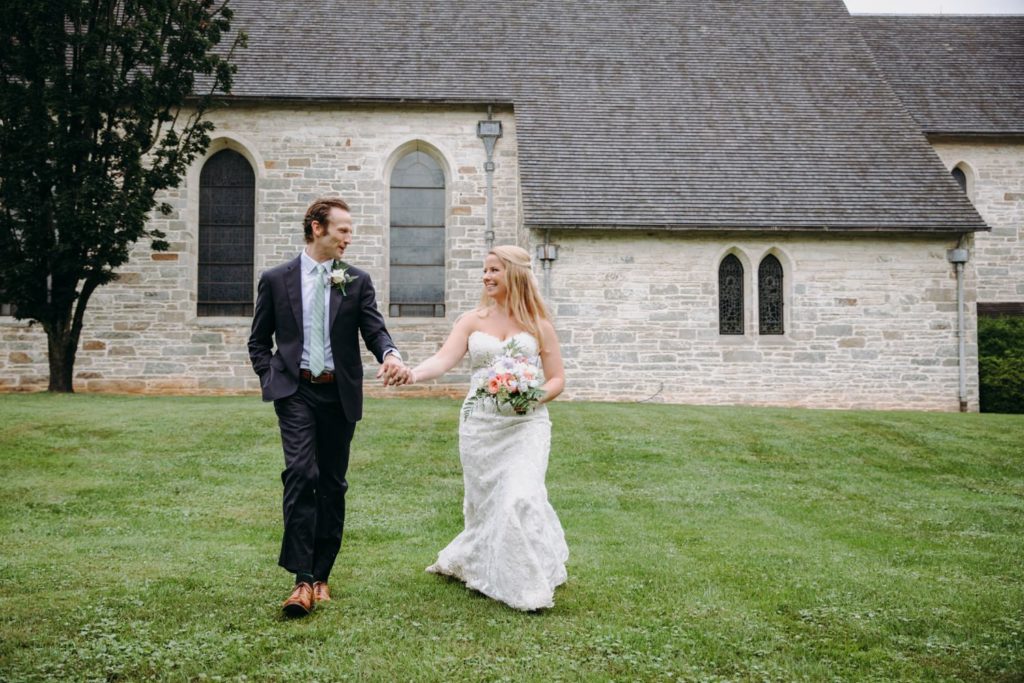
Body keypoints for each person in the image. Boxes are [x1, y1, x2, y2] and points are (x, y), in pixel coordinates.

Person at [248, 197, 411, 617]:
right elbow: (258, 341)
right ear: (317, 228)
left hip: (339, 393)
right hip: (296, 391)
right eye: (342, 229)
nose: (348, 238)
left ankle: (322, 575)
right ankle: (301, 580)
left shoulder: (355, 280)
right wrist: (273, 379)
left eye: (350, 230)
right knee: (302, 474)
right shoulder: (276, 279)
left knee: (333, 484)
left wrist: (390, 354)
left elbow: (375, 330)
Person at [409, 245, 569, 611]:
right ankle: (484, 563)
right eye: (485, 270)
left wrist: (530, 398)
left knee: (520, 496)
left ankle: (526, 587)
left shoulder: (538, 325)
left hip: (526, 426)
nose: (486, 276)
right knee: (487, 504)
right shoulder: (472, 320)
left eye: (494, 269)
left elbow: (557, 379)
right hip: (480, 426)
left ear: (514, 273)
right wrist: (412, 373)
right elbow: (443, 359)